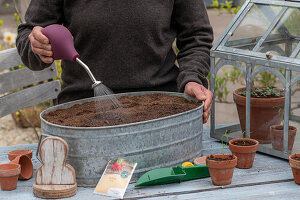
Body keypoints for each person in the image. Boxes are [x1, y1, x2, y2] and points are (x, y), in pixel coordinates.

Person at [16, 0, 213, 123]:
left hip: (162, 107)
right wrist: (37, 46)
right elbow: (28, 34)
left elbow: (196, 36)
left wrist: (192, 79)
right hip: (82, 112)